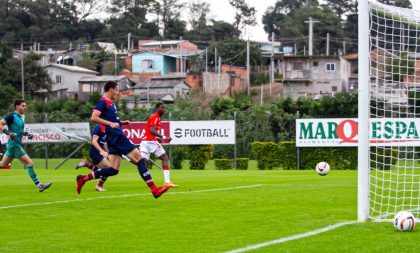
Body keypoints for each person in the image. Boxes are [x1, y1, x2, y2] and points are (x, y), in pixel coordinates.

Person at [76, 81, 172, 198]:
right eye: (116, 90)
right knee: (139, 159)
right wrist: (111, 124)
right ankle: (154, 189)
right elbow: (94, 117)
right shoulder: (103, 102)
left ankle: (84, 179)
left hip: (113, 139)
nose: (117, 92)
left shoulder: (111, 103)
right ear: (111, 89)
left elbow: (111, 120)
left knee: (113, 170)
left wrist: (121, 123)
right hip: (117, 137)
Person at [0, 99, 52, 192]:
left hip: (13, 145)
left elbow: (19, 131)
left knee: (3, 165)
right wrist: (8, 133)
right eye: (23, 106)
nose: (25, 107)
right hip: (15, 146)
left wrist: (26, 134)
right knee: (29, 163)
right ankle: (39, 185)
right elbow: (0, 123)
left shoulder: (20, 118)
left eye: (25, 105)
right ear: (17, 106)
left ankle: (39, 185)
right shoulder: (12, 116)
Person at [140, 102, 177, 187]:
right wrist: (164, 137)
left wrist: (157, 138)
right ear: (157, 108)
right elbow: (152, 130)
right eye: (162, 107)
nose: (164, 109)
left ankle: (149, 182)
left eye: (164, 108)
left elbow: (150, 131)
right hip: (150, 142)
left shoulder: (156, 117)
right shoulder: (155, 117)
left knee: (142, 162)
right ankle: (167, 182)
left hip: (145, 142)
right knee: (164, 158)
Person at [75, 124, 110, 191]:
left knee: (105, 171)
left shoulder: (106, 127)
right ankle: (99, 185)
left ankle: (87, 165)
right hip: (95, 152)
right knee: (109, 169)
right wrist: (102, 151)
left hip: (100, 152)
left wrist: (108, 154)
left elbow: (104, 143)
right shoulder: (98, 126)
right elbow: (94, 141)